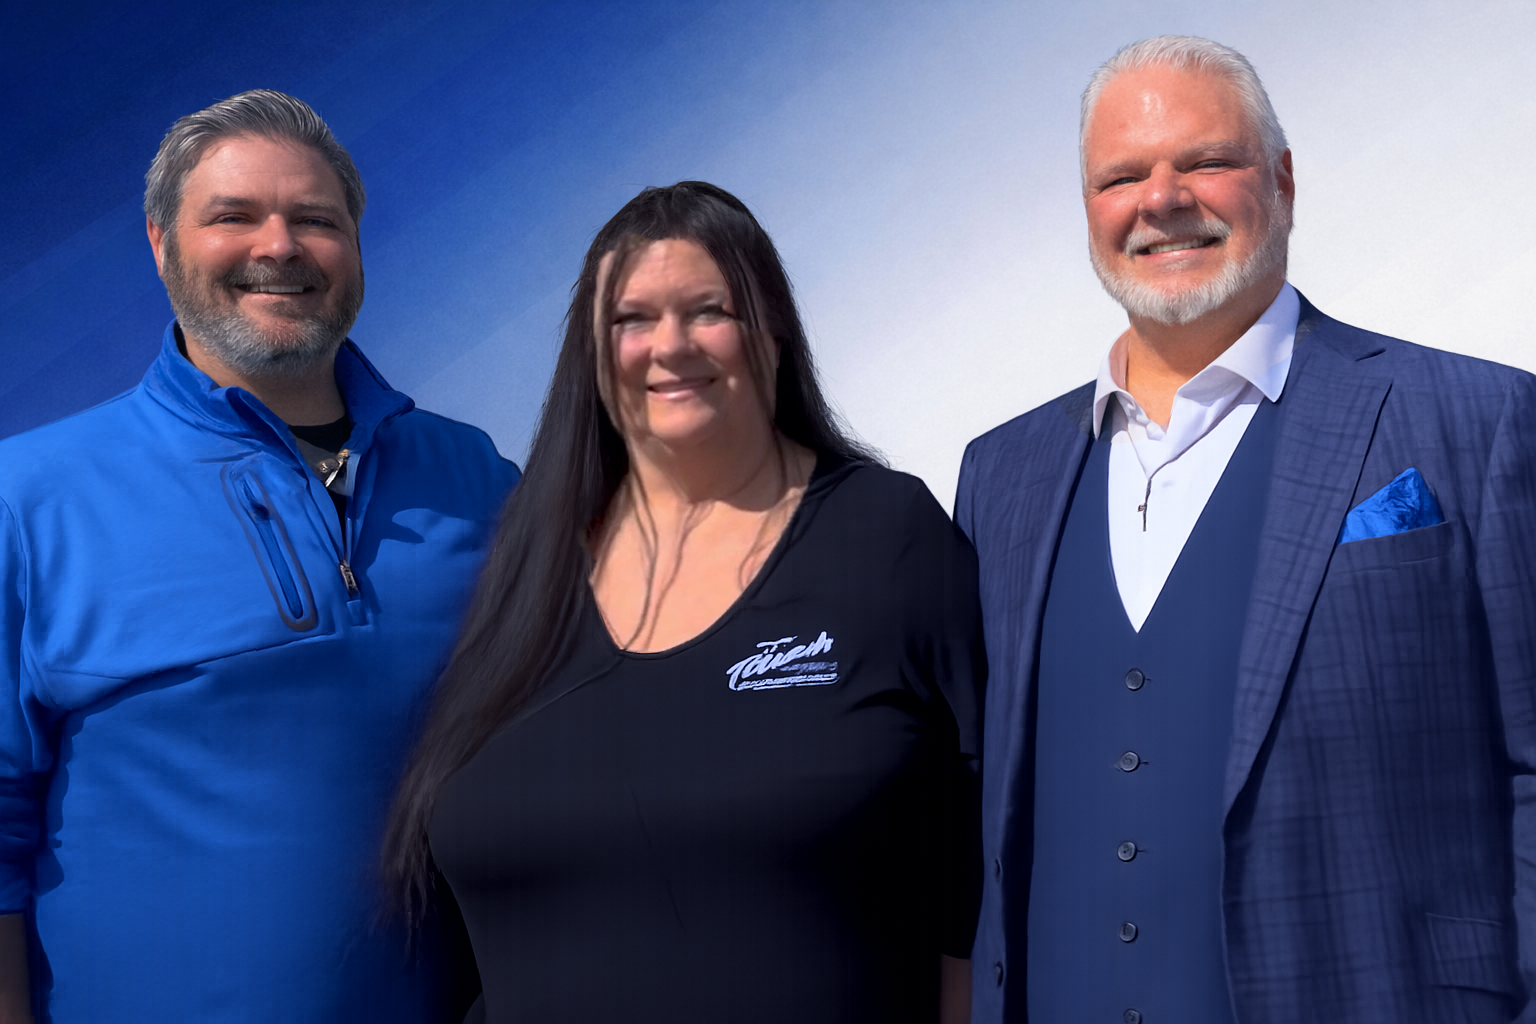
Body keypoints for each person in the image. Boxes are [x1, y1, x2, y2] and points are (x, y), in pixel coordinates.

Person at [956, 35, 1536, 1024]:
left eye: (1206, 161)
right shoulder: (999, 474)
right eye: (1122, 175)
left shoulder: (1480, 417)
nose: (1163, 197)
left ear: (1284, 180)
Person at [382, 181, 984, 1024]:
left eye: (709, 310)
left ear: (771, 332)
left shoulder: (883, 535)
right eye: (632, 319)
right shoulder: (519, 567)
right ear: (592, 352)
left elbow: (993, 835)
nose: (670, 346)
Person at [0, 90, 519, 1022]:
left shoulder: (475, 476)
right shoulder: (27, 500)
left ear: (355, 248)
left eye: (315, 219)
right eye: (233, 216)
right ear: (160, 245)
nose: (278, 246)